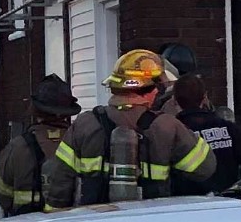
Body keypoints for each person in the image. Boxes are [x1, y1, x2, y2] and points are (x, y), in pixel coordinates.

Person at [42, 49, 217, 210]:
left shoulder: (85, 124)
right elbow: (205, 168)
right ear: (151, 91)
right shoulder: (166, 126)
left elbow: (60, 183)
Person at [0, 75, 81, 216]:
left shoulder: (17, 147)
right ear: (67, 112)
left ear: (36, 111)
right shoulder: (79, 143)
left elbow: (2, 192)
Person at [168, 75, 241, 196]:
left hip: (186, 205)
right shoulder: (228, 128)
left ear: (174, 101)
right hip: (226, 202)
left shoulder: (172, 134)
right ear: (204, 97)